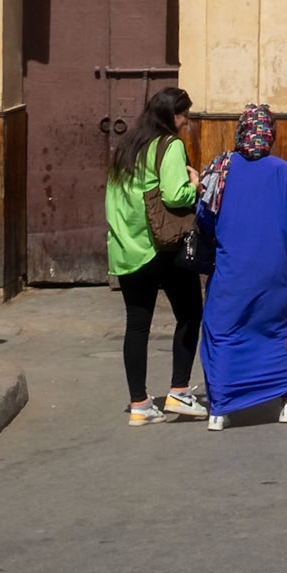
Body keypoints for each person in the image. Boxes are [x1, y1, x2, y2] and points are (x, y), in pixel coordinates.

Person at [196, 104, 287, 429]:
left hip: (231, 267)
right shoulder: (282, 170)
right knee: (274, 329)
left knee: (224, 329)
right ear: (269, 135)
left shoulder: (223, 167)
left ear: (240, 131)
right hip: (272, 268)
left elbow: (205, 215)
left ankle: (219, 409)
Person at [104, 87, 206, 425]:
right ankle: (179, 391)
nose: (186, 121)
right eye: (183, 115)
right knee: (190, 314)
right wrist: (196, 184)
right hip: (162, 246)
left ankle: (140, 404)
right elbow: (175, 195)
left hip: (127, 247)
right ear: (170, 116)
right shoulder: (170, 146)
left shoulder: (128, 147)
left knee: (137, 326)